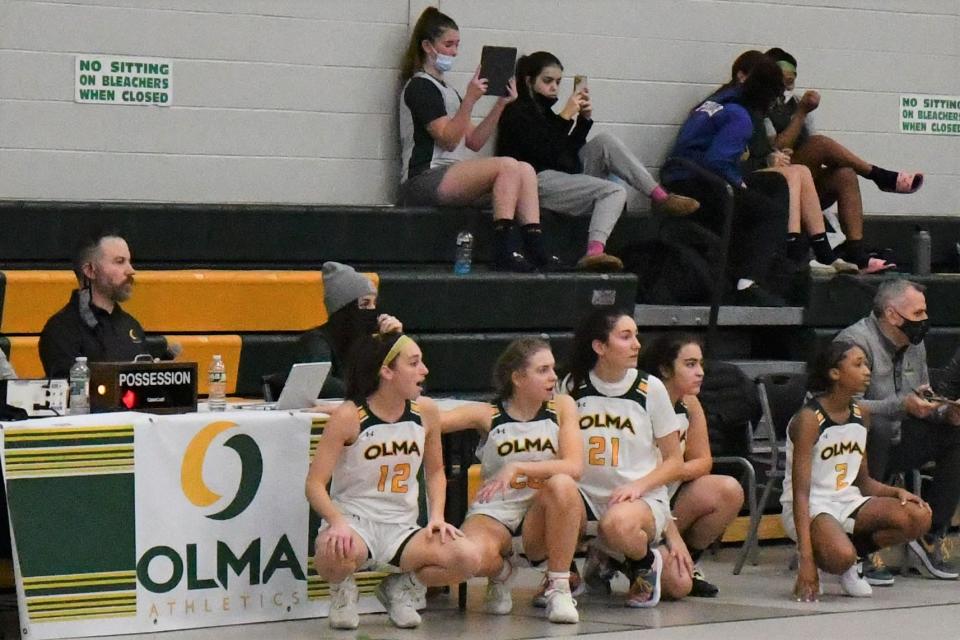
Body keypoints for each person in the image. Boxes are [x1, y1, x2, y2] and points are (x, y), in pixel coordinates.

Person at [305, 333, 479, 630]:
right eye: (414, 363)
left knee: (467, 558)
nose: (424, 370)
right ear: (387, 371)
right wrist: (336, 521)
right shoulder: (350, 415)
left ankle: (401, 587)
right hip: (357, 523)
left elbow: (436, 472)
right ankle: (342, 590)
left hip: (402, 527)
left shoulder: (426, 412)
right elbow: (314, 484)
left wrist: (437, 516)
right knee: (332, 551)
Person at [496, 51, 699, 272]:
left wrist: (583, 121)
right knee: (614, 191)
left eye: (558, 82)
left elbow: (566, 155)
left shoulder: (546, 114)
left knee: (605, 141)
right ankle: (594, 251)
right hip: (535, 181)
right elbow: (543, 153)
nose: (554, 87)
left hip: (559, 175)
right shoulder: (515, 112)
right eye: (547, 81)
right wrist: (565, 116)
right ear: (528, 80)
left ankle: (660, 196)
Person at [397, 7, 559, 272]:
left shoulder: (448, 90)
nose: (454, 52)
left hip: (449, 175)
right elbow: (449, 140)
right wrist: (470, 100)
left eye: (457, 45)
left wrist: (500, 105)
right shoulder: (419, 87)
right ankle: (503, 248)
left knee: (524, 169)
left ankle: (535, 244)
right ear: (428, 46)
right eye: (448, 45)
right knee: (506, 165)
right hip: (423, 178)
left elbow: (473, 141)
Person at [440, 338, 583, 623]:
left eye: (553, 368)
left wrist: (519, 467)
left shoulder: (562, 406)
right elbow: (424, 420)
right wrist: (342, 411)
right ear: (518, 377)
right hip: (495, 513)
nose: (554, 377)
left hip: (541, 512)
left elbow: (574, 465)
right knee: (466, 556)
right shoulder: (488, 414)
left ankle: (559, 587)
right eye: (543, 370)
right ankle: (501, 573)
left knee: (563, 484)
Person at [559, 309, 689, 607]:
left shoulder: (650, 388)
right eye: (626, 336)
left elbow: (674, 461)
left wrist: (639, 486)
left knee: (678, 586)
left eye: (636, 336)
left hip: (635, 500)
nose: (637, 345)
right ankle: (562, 573)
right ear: (599, 347)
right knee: (550, 497)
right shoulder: (571, 385)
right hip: (584, 498)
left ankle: (642, 562)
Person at [783, 341, 931, 601]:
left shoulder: (860, 413)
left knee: (918, 515)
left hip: (847, 501)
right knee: (840, 557)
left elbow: (863, 481)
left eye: (866, 364)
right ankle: (834, 556)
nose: (867, 371)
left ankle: (854, 557)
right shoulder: (808, 419)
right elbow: (801, 494)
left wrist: (897, 492)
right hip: (812, 506)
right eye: (858, 364)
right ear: (834, 373)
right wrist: (805, 559)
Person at [836, 279, 960, 583]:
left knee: (957, 434)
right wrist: (901, 405)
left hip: (898, 436)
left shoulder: (914, 346)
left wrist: (945, 411)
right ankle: (863, 542)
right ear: (893, 315)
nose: (925, 321)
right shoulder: (854, 342)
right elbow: (844, 408)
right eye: (918, 313)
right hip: (850, 447)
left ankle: (933, 533)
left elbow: (921, 398)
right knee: (874, 427)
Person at [763, 47, 921, 272]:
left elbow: (808, 142)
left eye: (793, 77)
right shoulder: (763, 104)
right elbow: (775, 147)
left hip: (804, 185)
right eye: (784, 75)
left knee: (845, 174)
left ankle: (856, 252)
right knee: (820, 143)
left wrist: (801, 112)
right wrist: (800, 114)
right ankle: (879, 175)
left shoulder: (796, 101)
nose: (789, 81)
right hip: (775, 181)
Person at [712, 51, 859, 277]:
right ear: (743, 77)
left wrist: (770, 156)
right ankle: (794, 249)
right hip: (722, 178)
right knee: (791, 173)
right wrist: (769, 157)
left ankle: (824, 252)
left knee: (800, 170)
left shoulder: (746, 106)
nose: (778, 92)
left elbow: (757, 149)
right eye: (773, 85)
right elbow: (722, 158)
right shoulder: (737, 108)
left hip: (745, 169)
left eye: (787, 83)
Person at [662, 55, 792, 306]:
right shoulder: (740, 116)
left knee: (775, 183)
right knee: (770, 213)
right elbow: (717, 162)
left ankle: (761, 259)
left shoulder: (717, 102)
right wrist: (738, 182)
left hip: (680, 175)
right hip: (698, 182)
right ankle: (748, 281)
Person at [637, 333, 744, 597]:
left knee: (727, 489)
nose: (700, 373)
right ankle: (616, 558)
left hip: (668, 495)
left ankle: (688, 558)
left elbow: (703, 461)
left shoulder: (690, 403)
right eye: (690, 364)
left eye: (700, 364)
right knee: (677, 588)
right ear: (665, 368)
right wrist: (666, 473)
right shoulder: (641, 403)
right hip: (639, 500)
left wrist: (673, 470)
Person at [39, 233, 156, 378]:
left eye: (129, 261)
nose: (131, 270)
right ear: (90, 271)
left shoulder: (131, 325)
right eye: (119, 262)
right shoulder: (62, 330)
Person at [294, 261, 402, 401]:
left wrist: (396, 342)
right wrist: (377, 391)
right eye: (365, 303)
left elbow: (414, 383)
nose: (372, 310)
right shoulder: (317, 340)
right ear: (344, 310)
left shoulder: (374, 340)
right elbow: (320, 384)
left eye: (374, 304)